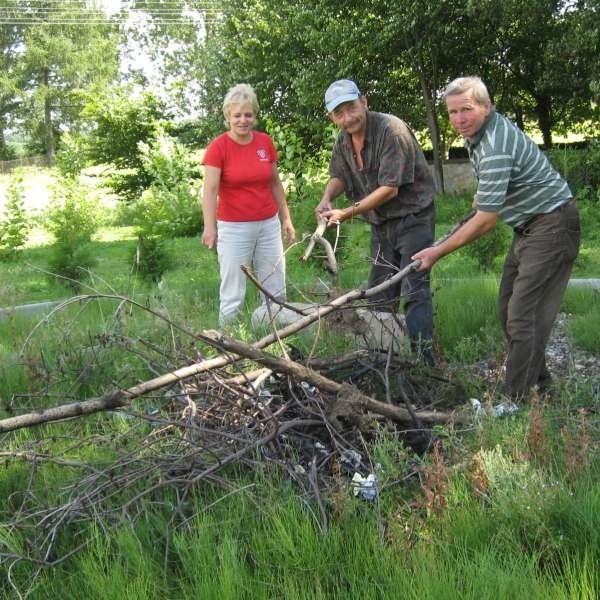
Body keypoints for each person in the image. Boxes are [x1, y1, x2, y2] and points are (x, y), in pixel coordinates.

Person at [413, 76, 580, 400]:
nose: (459, 119)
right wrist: (486, 195)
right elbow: (497, 189)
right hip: (528, 227)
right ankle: (541, 386)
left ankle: (513, 400)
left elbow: (486, 222)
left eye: (467, 109)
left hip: (552, 225)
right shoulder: (481, 135)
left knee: (522, 316)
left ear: (487, 108)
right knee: (508, 311)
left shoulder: (493, 145)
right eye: (452, 112)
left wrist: (436, 252)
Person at [315, 79, 437, 363]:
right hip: (381, 223)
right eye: (339, 113)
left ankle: (425, 362)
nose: (347, 118)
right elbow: (340, 176)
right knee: (380, 291)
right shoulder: (343, 141)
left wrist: (346, 213)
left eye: (351, 108)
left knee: (414, 287)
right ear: (332, 117)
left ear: (364, 102)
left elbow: (389, 189)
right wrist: (326, 199)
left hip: (414, 217)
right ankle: (383, 359)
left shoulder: (391, 130)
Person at [201, 83, 296, 325]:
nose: (243, 120)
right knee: (233, 290)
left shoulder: (265, 143)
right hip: (234, 228)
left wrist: (286, 218)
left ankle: (276, 335)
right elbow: (210, 191)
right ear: (228, 116)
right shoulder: (218, 147)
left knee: (275, 283)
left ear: (254, 115)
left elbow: (275, 183)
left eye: (248, 115)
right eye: (237, 115)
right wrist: (209, 227)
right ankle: (230, 343)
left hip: (268, 224)